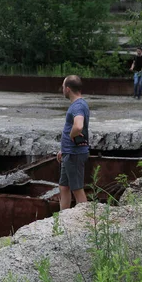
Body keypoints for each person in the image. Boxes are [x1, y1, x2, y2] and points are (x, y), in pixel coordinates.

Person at [56, 75, 90, 210]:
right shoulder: (78, 105)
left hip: (74, 155)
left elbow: (78, 126)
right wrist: (64, 150)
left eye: (63, 87)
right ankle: (64, 219)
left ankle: (86, 222)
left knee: (77, 189)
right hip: (69, 153)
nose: (62, 89)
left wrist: (71, 135)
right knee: (64, 187)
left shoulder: (78, 106)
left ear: (68, 89)